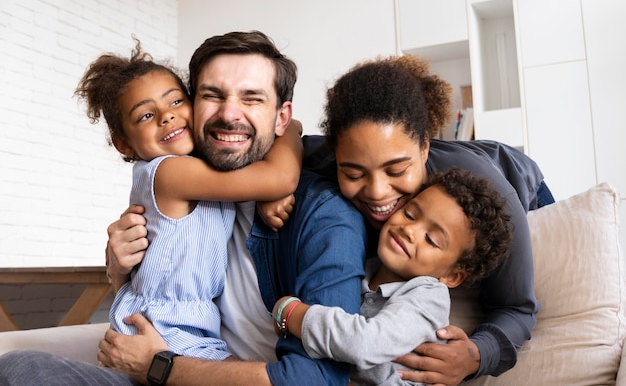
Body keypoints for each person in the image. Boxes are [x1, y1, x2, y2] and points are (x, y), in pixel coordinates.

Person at [0, 31, 367, 386]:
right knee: (24, 368)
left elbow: (312, 379)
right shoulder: (183, 175)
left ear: (280, 115)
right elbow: (275, 179)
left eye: (252, 98)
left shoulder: (321, 216)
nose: (229, 114)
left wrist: (159, 365)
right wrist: (120, 269)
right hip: (173, 338)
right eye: (212, 95)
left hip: (186, 357)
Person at [300, 54, 554, 385]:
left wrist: (474, 356)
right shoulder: (341, 149)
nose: (377, 193)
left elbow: (518, 309)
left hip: (516, 185)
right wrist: (277, 186)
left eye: (396, 170)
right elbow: (287, 139)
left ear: (423, 148)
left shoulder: (498, 197)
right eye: (353, 172)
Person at [74, 38, 302, 360]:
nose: (166, 117)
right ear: (124, 145)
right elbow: (280, 178)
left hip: (187, 325)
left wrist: (266, 196)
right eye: (145, 116)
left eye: (176, 102)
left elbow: (257, 181)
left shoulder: (203, 171)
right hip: (167, 328)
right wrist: (290, 130)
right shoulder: (170, 173)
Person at [272, 168, 513, 386]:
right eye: (409, 214)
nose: (409, 230)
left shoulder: (429, 298)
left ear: (451, 275)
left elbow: (364, 344)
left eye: (431, 240)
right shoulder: (361, 265)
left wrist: (290, 313)